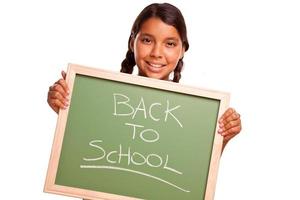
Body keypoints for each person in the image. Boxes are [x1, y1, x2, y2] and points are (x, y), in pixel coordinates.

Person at [47, 2, 241, 157]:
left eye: (170, 44)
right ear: (133, 42)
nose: (157, 53)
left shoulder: (196, 115)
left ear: (182, 50)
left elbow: (191, 179)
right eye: (147, 40)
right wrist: (66, 113)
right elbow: (85, 159)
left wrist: (221, 139)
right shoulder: (100, 100)